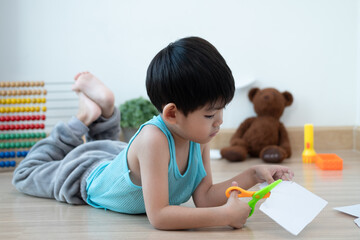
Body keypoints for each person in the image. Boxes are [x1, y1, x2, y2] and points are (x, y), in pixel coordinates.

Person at [12, 36, 294, 230]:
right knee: (26, 174)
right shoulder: (154, 140)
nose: (219, 121)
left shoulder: (199, 137)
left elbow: (205, 197)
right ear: (172, 113)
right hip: (85, 175)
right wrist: (222, 216)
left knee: (111, 149)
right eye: (210, 114)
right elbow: (158, 216)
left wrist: (254, 175)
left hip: (120, 162)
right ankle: (85, 116)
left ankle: (106, 110)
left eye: (222, 109)